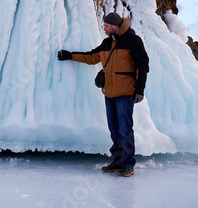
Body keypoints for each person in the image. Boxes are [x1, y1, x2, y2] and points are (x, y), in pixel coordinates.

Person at [57, 12, 149, 177]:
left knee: (125, 129)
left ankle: (128, 164)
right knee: (114, 129)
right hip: (110, 93)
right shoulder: (107, 43)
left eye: (106, 26)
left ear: (115, 26)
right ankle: (119, 160)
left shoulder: (133, 41)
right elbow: (91, 57)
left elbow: (142, 65)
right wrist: (70, 56)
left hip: (125, 93)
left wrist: (140, 89)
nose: (104, 28)